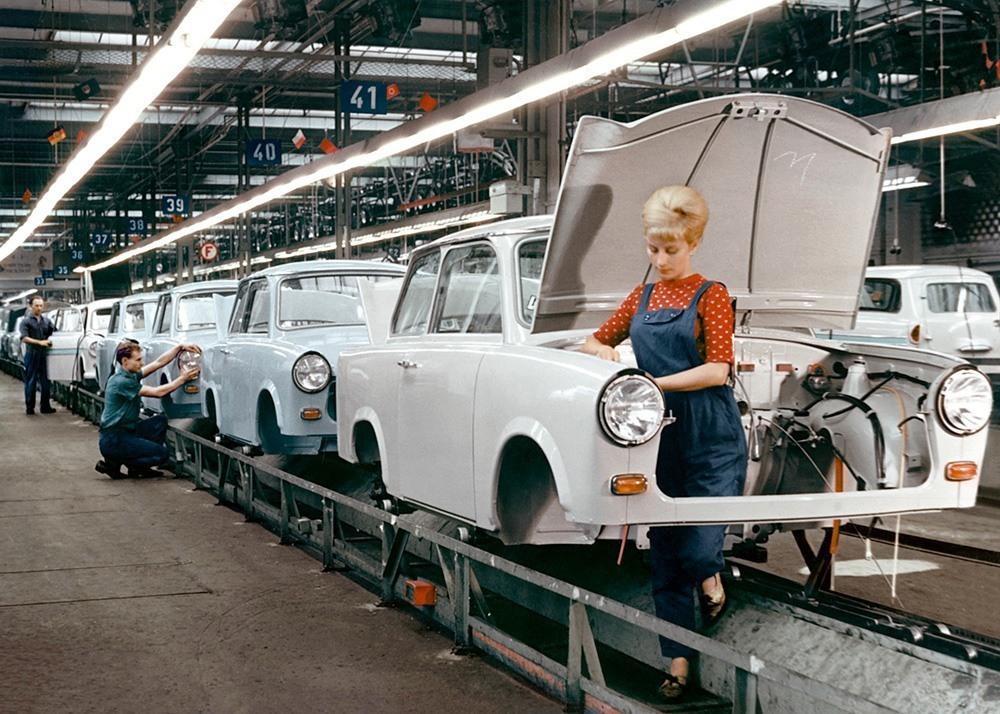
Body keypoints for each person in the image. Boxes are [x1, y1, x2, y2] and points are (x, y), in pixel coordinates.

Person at [581, 185, 747, 701]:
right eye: (653, 250)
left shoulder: (711, 295)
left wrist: (651, 383)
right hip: (656, 438)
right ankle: (677, 664)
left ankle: (713, 579)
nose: (660, 260)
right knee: (666, 555)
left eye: (670, 250)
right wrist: (606, 357)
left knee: (699, 547)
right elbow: (593, 340)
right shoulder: (641, 297)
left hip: (711, 435)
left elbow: (718, 369)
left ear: (692, 242)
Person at [96, 340, 201, 479]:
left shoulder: (129, 374)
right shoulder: (122, 382)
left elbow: (158, 363)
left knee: (160, 421)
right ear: (125, 361)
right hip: (114, 439)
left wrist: (180, 347)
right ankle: (121, 463)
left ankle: (138, 466)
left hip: (125, 432)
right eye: (138, 360)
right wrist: (182, 379)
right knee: (162, 454)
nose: (142, 363)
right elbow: (158, 392)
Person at [19, 294, 56, 415]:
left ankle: (45, 406)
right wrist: (39, 342)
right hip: (32, 354)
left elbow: (55, 333)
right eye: (36, 306)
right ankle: (30, 407)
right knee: (31, 382)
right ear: (31, 306)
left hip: (44, 355)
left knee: (46, 381)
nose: (39, 308)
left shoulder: (47, 321)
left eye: (41, 305)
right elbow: (24, 338)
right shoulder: (25, 322)